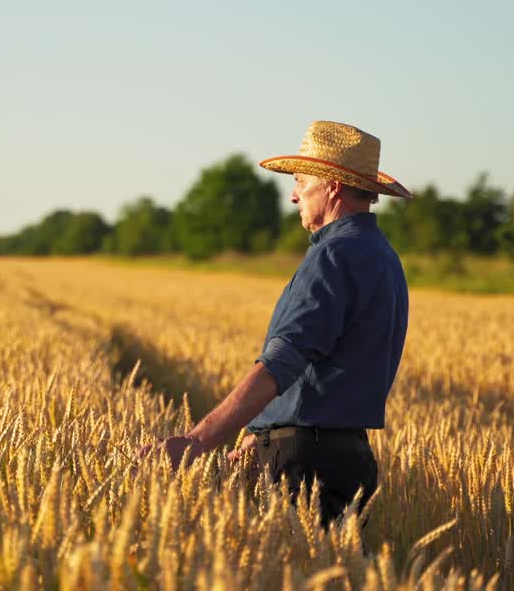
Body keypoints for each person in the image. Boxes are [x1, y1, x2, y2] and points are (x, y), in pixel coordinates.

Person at [140, 120, 412, 528]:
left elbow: (285, 359)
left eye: (302, 181)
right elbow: (327, 372)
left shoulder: (334, 256)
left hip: (305, 467)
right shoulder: (381, 255)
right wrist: (265, 432)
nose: (293, 196)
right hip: (348, 458)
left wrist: (200, 441)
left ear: (332, 186)